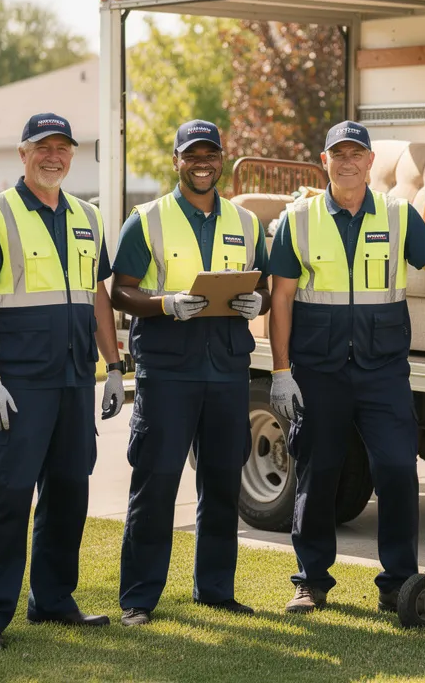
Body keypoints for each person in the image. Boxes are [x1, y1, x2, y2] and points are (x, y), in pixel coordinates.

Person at [267, 120, 425, 614]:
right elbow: (281, 298)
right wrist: (281, 371)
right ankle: (311, 581)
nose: (347, 162)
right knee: (318, 473)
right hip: (319, 370)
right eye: (338, 154)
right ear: (324, 161)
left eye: (357, 154)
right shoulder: (298, 220)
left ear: (370, 162)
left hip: (381, 369)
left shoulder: (398, 216)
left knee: (395, 469)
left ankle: (398, 583)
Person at [0, 112, 127, 651]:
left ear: (72, 155)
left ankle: (53, 599)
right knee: (7, 494)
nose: (54, 156)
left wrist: (115, 366)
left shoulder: (87, 217)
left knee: (69, 493)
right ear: (22, 152)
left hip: (75, 382)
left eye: (63, 147)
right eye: (43, 147)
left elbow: (97, 295)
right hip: (19, 385)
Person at [109, 119, 270, 626]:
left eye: (211, 155)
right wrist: (166, 303)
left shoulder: (246, 223)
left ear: (222, 159)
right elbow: (120, 291)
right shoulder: (147, 219)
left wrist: (254, 302)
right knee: (155, 483)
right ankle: (138, 598)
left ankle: (216, 590)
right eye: (192, 155)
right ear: (176, 161)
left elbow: (263, 286)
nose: (203, 163)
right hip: (168, 372)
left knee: (223, 483)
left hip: (226, 370)